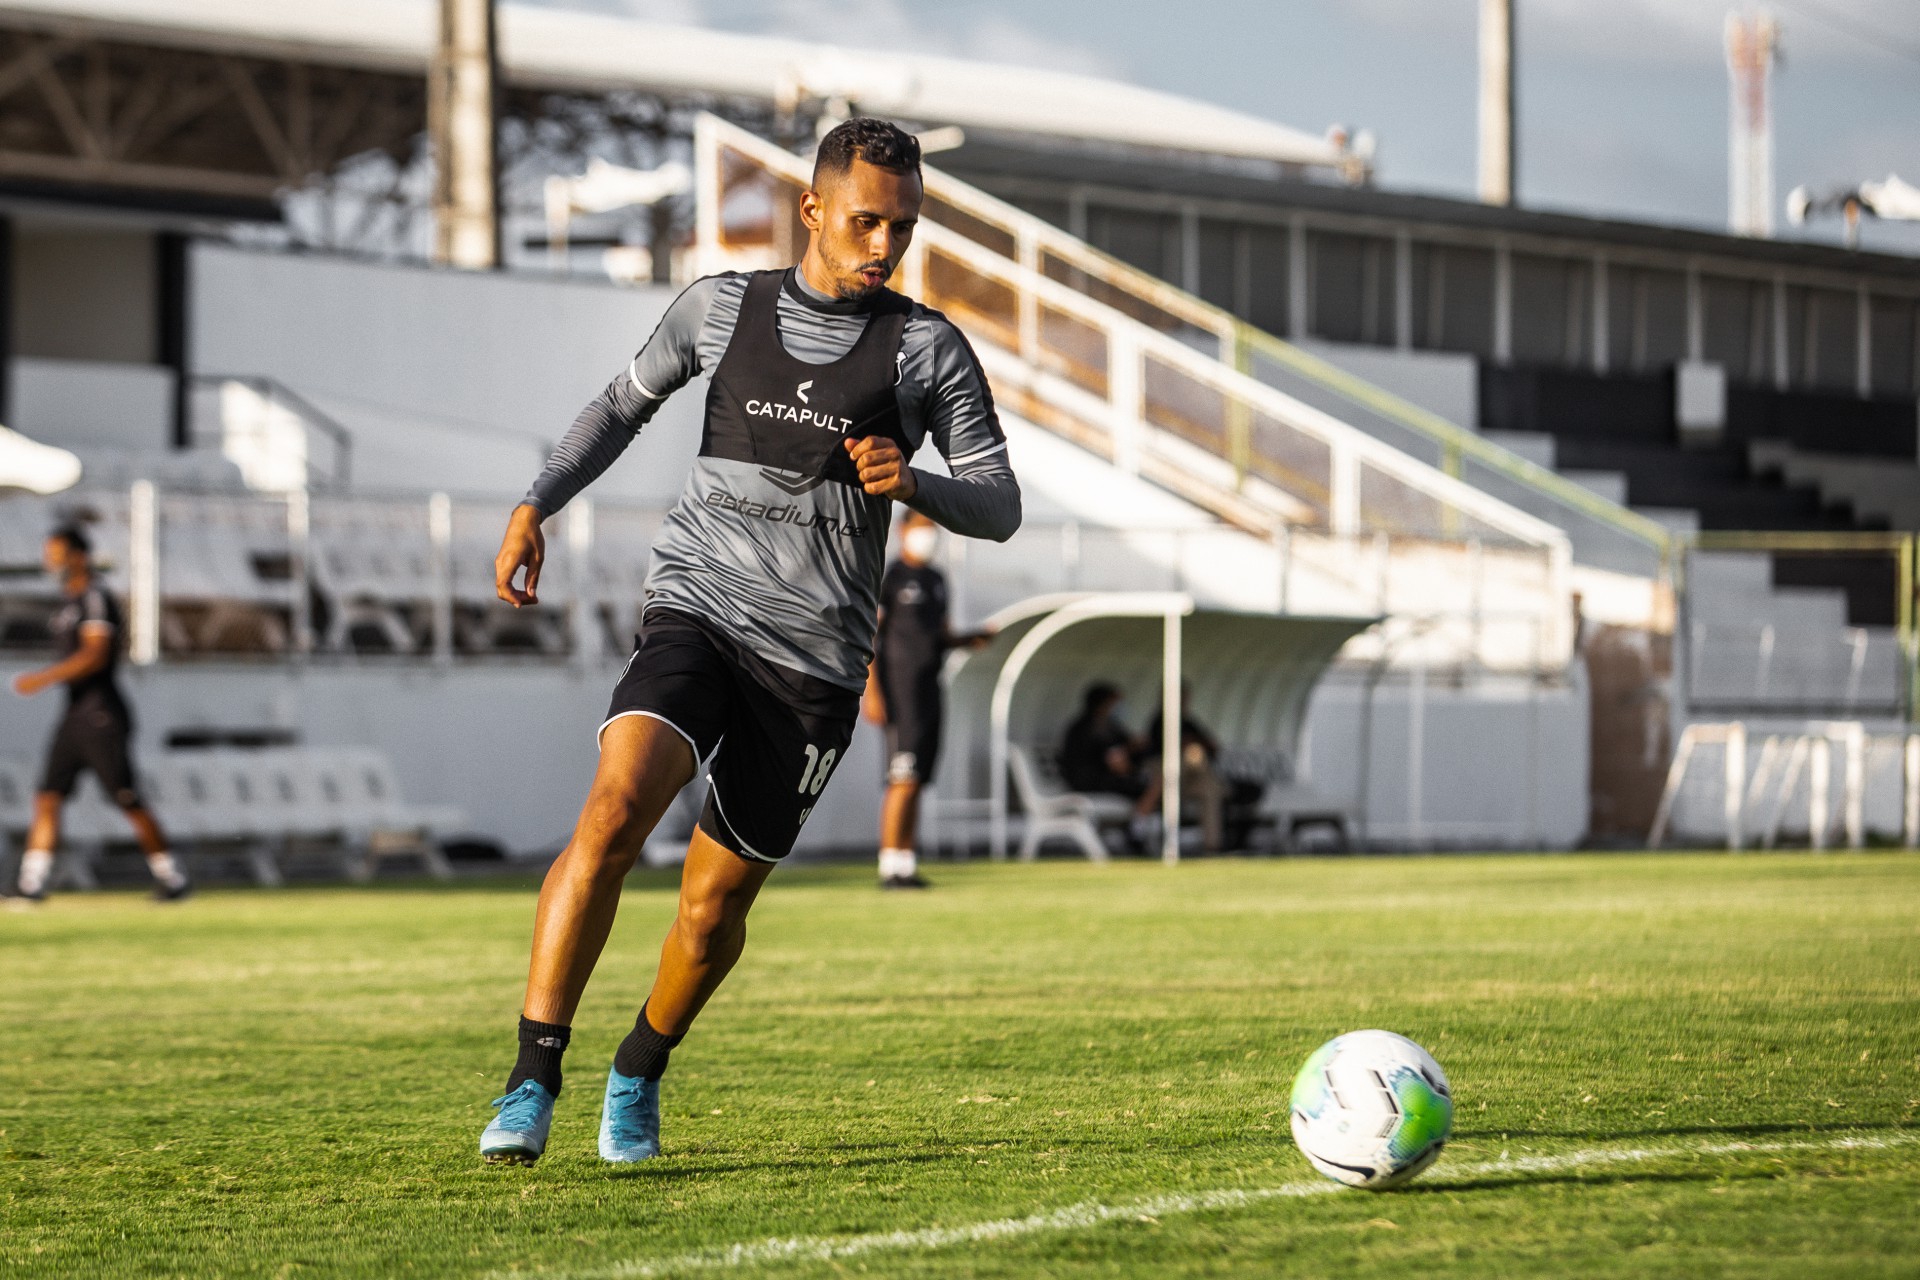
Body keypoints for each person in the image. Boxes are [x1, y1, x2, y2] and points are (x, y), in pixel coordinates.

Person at [478, 117, 1021, 1166]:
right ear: (811, 209)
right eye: (865, 220)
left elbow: (997, 501)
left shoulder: (926, 348)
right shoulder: (721, 309)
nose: (883, 246)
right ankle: (532, 1075)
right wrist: (534, 501)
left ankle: (638, 1065)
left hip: (813, 661)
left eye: (901, 228)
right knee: (615, 808)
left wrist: (916, 480)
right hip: (699, 607)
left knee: (712, 905)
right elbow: (618, 407)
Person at [9, 525, 189, 903]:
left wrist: (43, 679)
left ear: (78, 556)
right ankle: (31, 883)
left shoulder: (96, 598)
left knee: (126, 798)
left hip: (101, 715)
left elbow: (95, 654)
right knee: (48, 796)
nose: (50, 564)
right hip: (74, 716)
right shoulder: (67, 602)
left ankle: (171, 877)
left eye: (56, 556)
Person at [862, 510, 987, 890]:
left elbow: (941, 636)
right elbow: (871, 635)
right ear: (903, 531)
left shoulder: (937, 579)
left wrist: (971, 639)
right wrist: (872, 691)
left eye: (932, 529)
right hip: (901, 693)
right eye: (921, 528)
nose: (928, 535)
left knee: (918, 779)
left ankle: (906, 863)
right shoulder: (892, 577)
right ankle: (888, 866)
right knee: (902, 778)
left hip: (931, 690)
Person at [1057, 682, 1145, 801]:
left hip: (1104, 777)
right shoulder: (1085, 728)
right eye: (1115, 702)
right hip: (1089, 781)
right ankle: (1143, 818)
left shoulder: (1110, 725)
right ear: (1103, 703)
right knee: (1141, 788)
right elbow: (1112, 760)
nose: (1118, 706)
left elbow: (1128, 744)